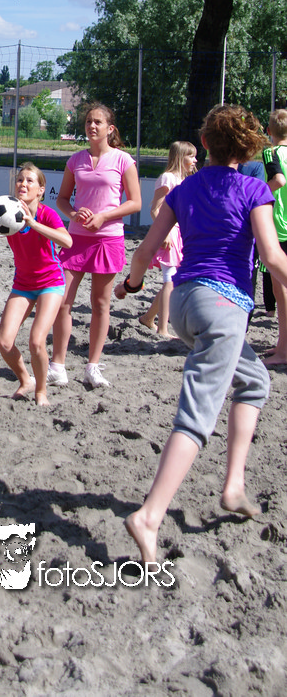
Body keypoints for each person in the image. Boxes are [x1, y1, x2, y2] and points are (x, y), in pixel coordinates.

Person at [116, 104, 287, 564]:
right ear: (248, 149)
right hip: (223, 307)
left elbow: (145, 252)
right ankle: (149, 515)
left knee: (255, 381)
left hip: (184, 304)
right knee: (196, 416)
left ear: (206, 143)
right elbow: (272, 257)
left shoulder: (184, 189)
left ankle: (233, 487)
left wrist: (132, 285)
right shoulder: (254, 189)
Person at [50, 104, 142, 389]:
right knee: (62, 301)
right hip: (75, 238)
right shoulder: (75, 160)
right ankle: (57, 366)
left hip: (108, 238)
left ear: (109, 128)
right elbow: (62, 199)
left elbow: (135, 203)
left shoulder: (123, 160)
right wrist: (74, 213)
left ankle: (93, 366)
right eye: (89, 121)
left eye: (98, 122)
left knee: (100, 304)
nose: (92, 126)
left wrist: (104, 216)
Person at [0, 162, 72, 405]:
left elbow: (67, 242)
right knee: (4, 342)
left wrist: (34, 224)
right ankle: (26, 380)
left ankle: (41, 392)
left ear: (41, 190)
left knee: (36, 341)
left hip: (51, 282)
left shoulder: (46, 214)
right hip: (23, 283)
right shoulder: (5, 211)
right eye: (20, 180)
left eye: (29, 181)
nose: (23, 184)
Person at [138, 141, 197, 337]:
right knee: (169, 280)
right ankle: (162, 328)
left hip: (180, 233)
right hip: (169, 232)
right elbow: (155, 209)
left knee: (173, 280)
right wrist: (164, 233)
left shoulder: (185, 179)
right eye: (191, 156)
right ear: (180, 157)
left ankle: (148, 318)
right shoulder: (168, 178)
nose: (195, 160)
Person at [261, 109, 287, 365]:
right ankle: (281, 345)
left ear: (269, 131)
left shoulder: (272, 152)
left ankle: (283, 350)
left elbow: (278, 180)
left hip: (280, 227)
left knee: (281, 291)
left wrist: (258, 193)